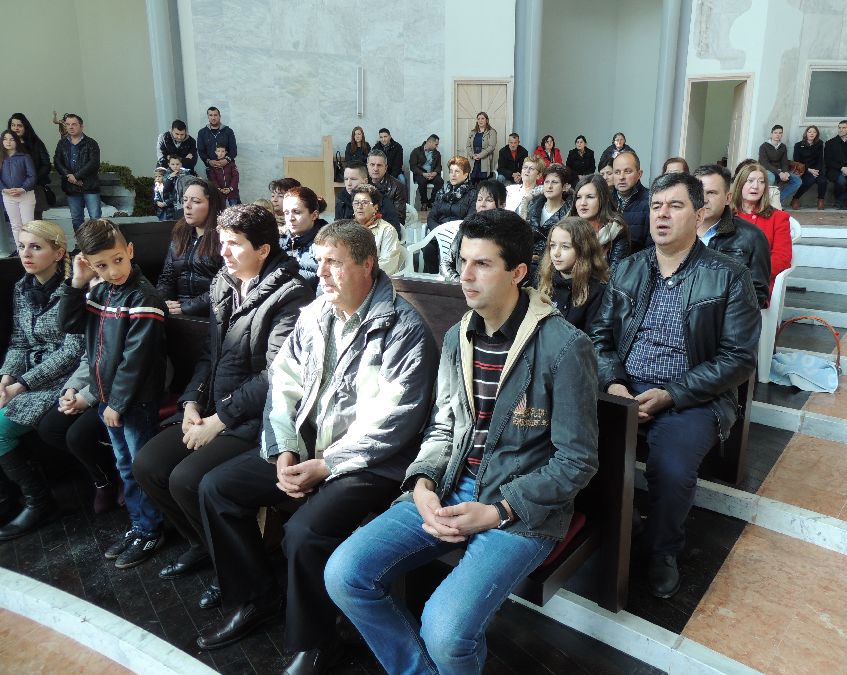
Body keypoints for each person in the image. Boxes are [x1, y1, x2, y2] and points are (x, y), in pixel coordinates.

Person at [325, 209, 599, 675]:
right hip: (452, 485)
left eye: (482, 264)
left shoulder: (564, 346)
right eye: (462, 261)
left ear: (518, 272)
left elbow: (576, 460)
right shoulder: (458, 337)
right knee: (345, 573)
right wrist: (423, 484)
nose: (464, 276)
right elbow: (443, 427)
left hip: (521, 508)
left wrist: (498, 510)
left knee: (446, 631)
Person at [194, 221, 438, 670]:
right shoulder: (316, 313)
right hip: (309, 448)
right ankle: (256, 597)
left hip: (372, 462)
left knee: (304, 533)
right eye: (319, 261)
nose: (321, 273)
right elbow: (283, 383)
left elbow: (395, 421)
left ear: (367, 264)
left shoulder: (404, 329)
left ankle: (319, 641)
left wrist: (327, 465)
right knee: (217, 488)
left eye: (334, 263)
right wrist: (284, 449)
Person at [590, 172, 760, 599]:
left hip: (693, 395)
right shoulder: (627, 269)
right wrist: (614, 384)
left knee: (671, 468)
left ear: (699, 215)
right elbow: (599, 339)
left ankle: (663, 548)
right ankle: (615, 524)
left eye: (675, 206)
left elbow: (738, 358)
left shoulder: (728, 275)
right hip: (625, 388)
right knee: (570, 442)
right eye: (656, 206)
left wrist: (673, 394)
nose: (661, 215)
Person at [134, 203, 313, 587]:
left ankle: (243, 571)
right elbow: (209, 355)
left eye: (234, 244)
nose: (223, 252)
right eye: (222, 242)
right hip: (216, 407)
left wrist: (219, 420)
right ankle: (208, 547)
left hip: (260, 419)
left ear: (263, 250)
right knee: (148, 464)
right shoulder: (224, 282)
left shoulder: (292, 295)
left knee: (187, 479)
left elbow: (275, 376)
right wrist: (191, 402)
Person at [58, 219, 168, 569]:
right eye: (101, 265)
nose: (113, 271)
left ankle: (151, 529)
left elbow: (136, 360)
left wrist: (116, 404)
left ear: (130, 251)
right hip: (109, 399)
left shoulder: (144, 297)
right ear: (90, 265)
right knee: (124, 464)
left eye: (118, 260)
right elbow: (68, 324)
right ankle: (138, 524)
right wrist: (76, 284)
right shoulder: (99, 291)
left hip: (135, 401)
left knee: (138, 466)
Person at [0, 221, 84, 539]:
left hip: (62, 381)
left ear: (58, 252)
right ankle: (6, 499)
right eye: (22, 246)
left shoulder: (73, 289)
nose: (26, 254)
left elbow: (72, 352)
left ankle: (40, 502)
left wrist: (21, 384)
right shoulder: (22, 287)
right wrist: (5, 377)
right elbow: (19, 341)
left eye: (36, 247)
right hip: (25, 376)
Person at [37, 347, 122, 515]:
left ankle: (119, 475)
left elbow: (128, 365)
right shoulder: (94, 327)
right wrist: (72, 389)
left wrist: (87, 397)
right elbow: (88, 359)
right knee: (50, 428)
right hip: (98, 386)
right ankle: (107, 474)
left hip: (125, 389)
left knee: (77, 436)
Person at [694, 164, 771, 309]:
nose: (703, 199)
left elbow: (757, 294)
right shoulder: (677, 230)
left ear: (728, 198)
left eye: (711, 193)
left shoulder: (752, 236)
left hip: (723, 317)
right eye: (698, 192)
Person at [156, 179, 225, 317]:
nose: (187, 206)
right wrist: (162, 302)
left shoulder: (224, 239)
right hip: (177, 312)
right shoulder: (180, 235)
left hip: (211, 315)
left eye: (196, 201)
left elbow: (225, 286)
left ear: (212, 205)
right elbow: (167, 277)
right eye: (185, 200)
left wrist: (188, 308)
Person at [731, 162, 792, 296]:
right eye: (750, 181)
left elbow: (782, 258)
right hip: (724, 281)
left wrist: (750, 277)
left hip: (757, 284)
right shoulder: (726, 215)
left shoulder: (778, 218)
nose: (756, 186)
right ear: (740, 184)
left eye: (761, 182)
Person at [538, 216, 608, 333]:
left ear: (584, 250)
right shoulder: (544, 278)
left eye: (565, 247)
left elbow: (592, 337)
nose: (556, 253)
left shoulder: (597, 291)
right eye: (553, 245)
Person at [443, 178, 507, 281]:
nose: (482, 204)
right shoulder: (466, 227)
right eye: (479, 199)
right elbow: (446, 262)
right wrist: (458, 281)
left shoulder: (506, 232)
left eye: (489, 200)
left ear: (502, 205)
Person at [53, 113, 101, 231]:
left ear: (81, 126)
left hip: (89, 186)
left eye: (74, 124)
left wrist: (76, 176)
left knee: (96, 219)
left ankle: (97, 242)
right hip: (71, 188)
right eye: (68, 124)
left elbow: (94, 163)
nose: (70, 127)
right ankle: (80, 242)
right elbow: (57, 161)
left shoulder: (91, 143)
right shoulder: (62, 143)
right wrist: (69, 176)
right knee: (76, 219)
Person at [571, 174, 630, 269]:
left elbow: (616, 272)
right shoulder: (566, 228)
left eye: (590, 197)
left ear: (604, 199)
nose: (582, 203)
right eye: (578, 197)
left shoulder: (616, 230)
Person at [350, 184, 404, 275]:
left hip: (375, 279)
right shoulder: (348, 229)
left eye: (365, 202)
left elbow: (388, 265)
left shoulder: (387, 230)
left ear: (375, 208)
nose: (359, 206)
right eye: (356, 203)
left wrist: (360, 274)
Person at [280, 186, 328, 285]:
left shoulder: (326, 245)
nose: (290, 218)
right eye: (286, 213)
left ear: (314, 215)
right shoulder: (278, 242)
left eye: (296, 212)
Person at [526, 163, 574, 262]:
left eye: (555, 182)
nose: (549, 186)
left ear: (565, 187)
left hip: (555, 261)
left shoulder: (571, 212)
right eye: (546, 182)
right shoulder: (531, 206)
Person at [7, 114, 51, 219]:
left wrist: (31, 181)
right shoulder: (5, 145)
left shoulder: (36, 143)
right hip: (13, 190)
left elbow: (46, 165)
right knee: (17, 223)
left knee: (35, 222)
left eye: (19, 125)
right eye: (13, 125)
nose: (16, 128)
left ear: (25, 127)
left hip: (34, 188)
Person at [334, 161, 402, 229]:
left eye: (353, 179)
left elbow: (394, 229)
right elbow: (336, 230)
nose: (348, 183)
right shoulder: (341, 200)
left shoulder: (381, 199)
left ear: (365, 181)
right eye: (346, 179)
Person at [1, 130, 37, 247]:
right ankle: (20, 250)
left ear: (17, 141)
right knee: (15, 225)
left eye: (12, 139)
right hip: (8, 196)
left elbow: (32, 176)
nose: (8, 142)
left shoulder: (25, 157)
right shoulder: (1, 158)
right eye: (5, 139)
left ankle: (30, 249)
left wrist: (22, 189)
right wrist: (4, 189)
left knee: (28, 225)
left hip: (25, 195)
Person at [613, 151, 652, 252]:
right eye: (617, 172)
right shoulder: (604, 199)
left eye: (627, 171)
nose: (621, 177)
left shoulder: (651, 202)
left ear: (639, 174)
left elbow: (651, 248)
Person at [758, 125, 802, 206]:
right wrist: (779, 173)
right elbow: (764, 163)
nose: (777, 135)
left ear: (782, 134)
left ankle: (777, 200)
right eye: (775, 133)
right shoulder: (764, 146)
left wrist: (785, 172)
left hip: (780, 171)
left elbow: (784, 162)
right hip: (767, 170)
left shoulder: (783, 147)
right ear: (771, 134)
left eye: (780, 133)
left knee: (797, 181)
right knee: (771, 178)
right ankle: (763, 202)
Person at [792, 125, 828, 210]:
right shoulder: (798, 145)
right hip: (803, 169)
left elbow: (820, 159)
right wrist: (809, 169)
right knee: (810, 180)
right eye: (810, 132)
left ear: (817, 134)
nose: (812, 134)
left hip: (816, 170)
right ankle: (795, 198)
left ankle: (821, 200)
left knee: (823, 181)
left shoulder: (819, 144)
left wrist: (817, 170)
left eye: (814, 132)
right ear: (806, 133)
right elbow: (797, 160)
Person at [367, 149, 407, 228]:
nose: (375, 168)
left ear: (385, 168)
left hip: (387, 229)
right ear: (367, 166)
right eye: (372, 164)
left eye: (379, 165)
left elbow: (399, 218)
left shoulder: (397, 187)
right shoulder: (362, 184)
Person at [197, 107, 237, 180]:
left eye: (215, 115)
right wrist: (209, 161)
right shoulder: (202, 133)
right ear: (208, 117)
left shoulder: (228, 131)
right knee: (213, 187)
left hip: (228, 168)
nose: (213, 118)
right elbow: (201, 151)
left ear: (219, 116)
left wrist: (226, 160)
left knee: (231, 187)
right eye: (211, 115)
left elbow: (233, 150)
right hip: (211, 169)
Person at [409, 134, 443, 209]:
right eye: (436, 144)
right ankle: (424, 202)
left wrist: (435, 173)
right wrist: (423, 173)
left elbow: (439, 166)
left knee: (440, 181)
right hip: (420, 174)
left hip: (432, 174)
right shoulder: (416, 151)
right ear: (430, 142)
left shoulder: (437, 153)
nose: (437, 146)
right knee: (422, 181)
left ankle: (432, 201)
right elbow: (413, 166)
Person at [465, 112, 498, 182]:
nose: (480, 120)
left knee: (483, 183)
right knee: (472, 181)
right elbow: (468, 146)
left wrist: (480, 155)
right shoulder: (472, 132)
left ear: (487, 120)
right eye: (478, 119)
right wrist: (472, 155)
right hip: (473, 160)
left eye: (482, 118)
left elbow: (491, 146)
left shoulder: (492, 132)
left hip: (485, 160)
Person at [161, 155, 192, 221]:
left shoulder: (186, 172)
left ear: (181, 164)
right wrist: (170, 178)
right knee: (173, 218)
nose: (175, 166)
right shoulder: (166, 173)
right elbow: (165, 189)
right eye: (173, 164)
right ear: (169, 164)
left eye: (177, 164)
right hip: (171, 200)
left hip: (183, 198)